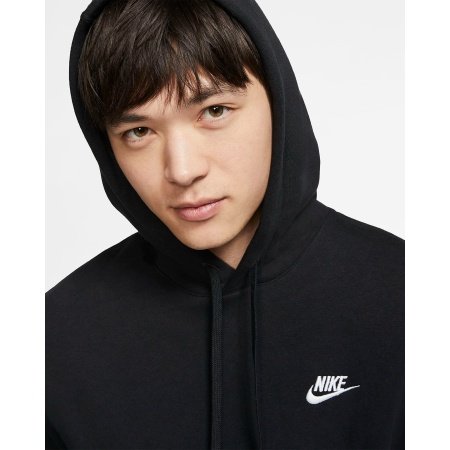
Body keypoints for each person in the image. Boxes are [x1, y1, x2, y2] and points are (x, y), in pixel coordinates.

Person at [46, 0, 405, 449]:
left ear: (279, 101)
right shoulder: (53, 341)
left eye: (214, 111)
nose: (182, 170)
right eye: (138, 132)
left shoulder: (409, 296)